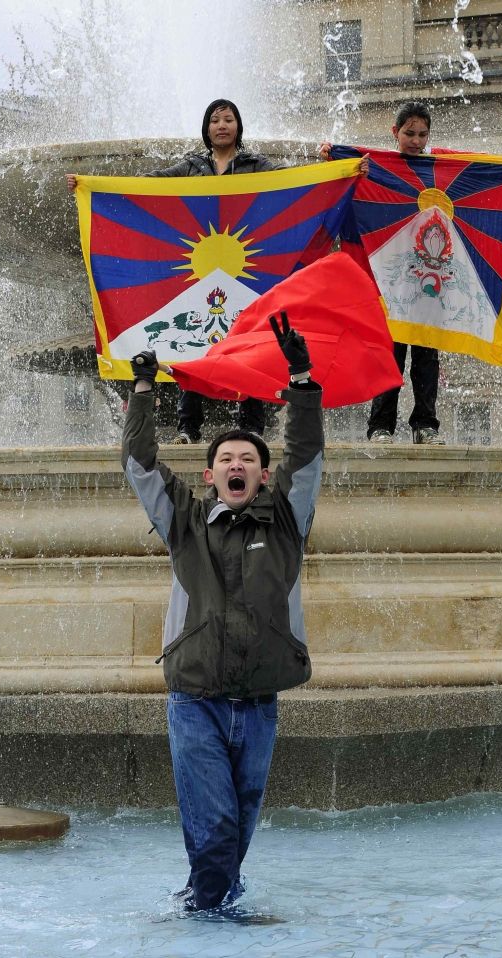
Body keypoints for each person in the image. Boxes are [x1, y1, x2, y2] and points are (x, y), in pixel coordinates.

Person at [121, 312, 323, 911]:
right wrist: (142, 391)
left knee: (237, 828)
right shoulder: (184, 521)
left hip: (260, 700)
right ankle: (213, 919)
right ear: (210, 476)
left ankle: (206, 900)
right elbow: (140, 467)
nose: (238, 466)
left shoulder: (287, 520)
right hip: (196, 700)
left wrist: (302, 378)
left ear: (263, 476)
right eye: (227, 459)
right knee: (214, 828)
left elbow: (307, 454)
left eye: (249, 460)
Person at [68, 98, 283, 444]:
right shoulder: (192, 166)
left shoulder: (256, 164)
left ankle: (252, 424)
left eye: (229, 119)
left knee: (248, 344)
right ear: (206, 129)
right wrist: (94, 186)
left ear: (239, 127)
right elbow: (152, 184)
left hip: (243, 272)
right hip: (201, 275)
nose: (222, 125)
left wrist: (332, 169)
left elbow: (295, 183)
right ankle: (188, 427)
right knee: (195, 347)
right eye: (215, 120)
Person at [321, 101, 445, 446]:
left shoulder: (439, 171)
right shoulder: (377, 169)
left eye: (422, 134)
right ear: (395, 132)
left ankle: (426, 424)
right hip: (389, 280)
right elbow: (349, 190)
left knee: (425, 355)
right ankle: (380, 426)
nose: (416, 141)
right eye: (409, 133)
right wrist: (334, 159)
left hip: (426, 278)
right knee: (389, 354)